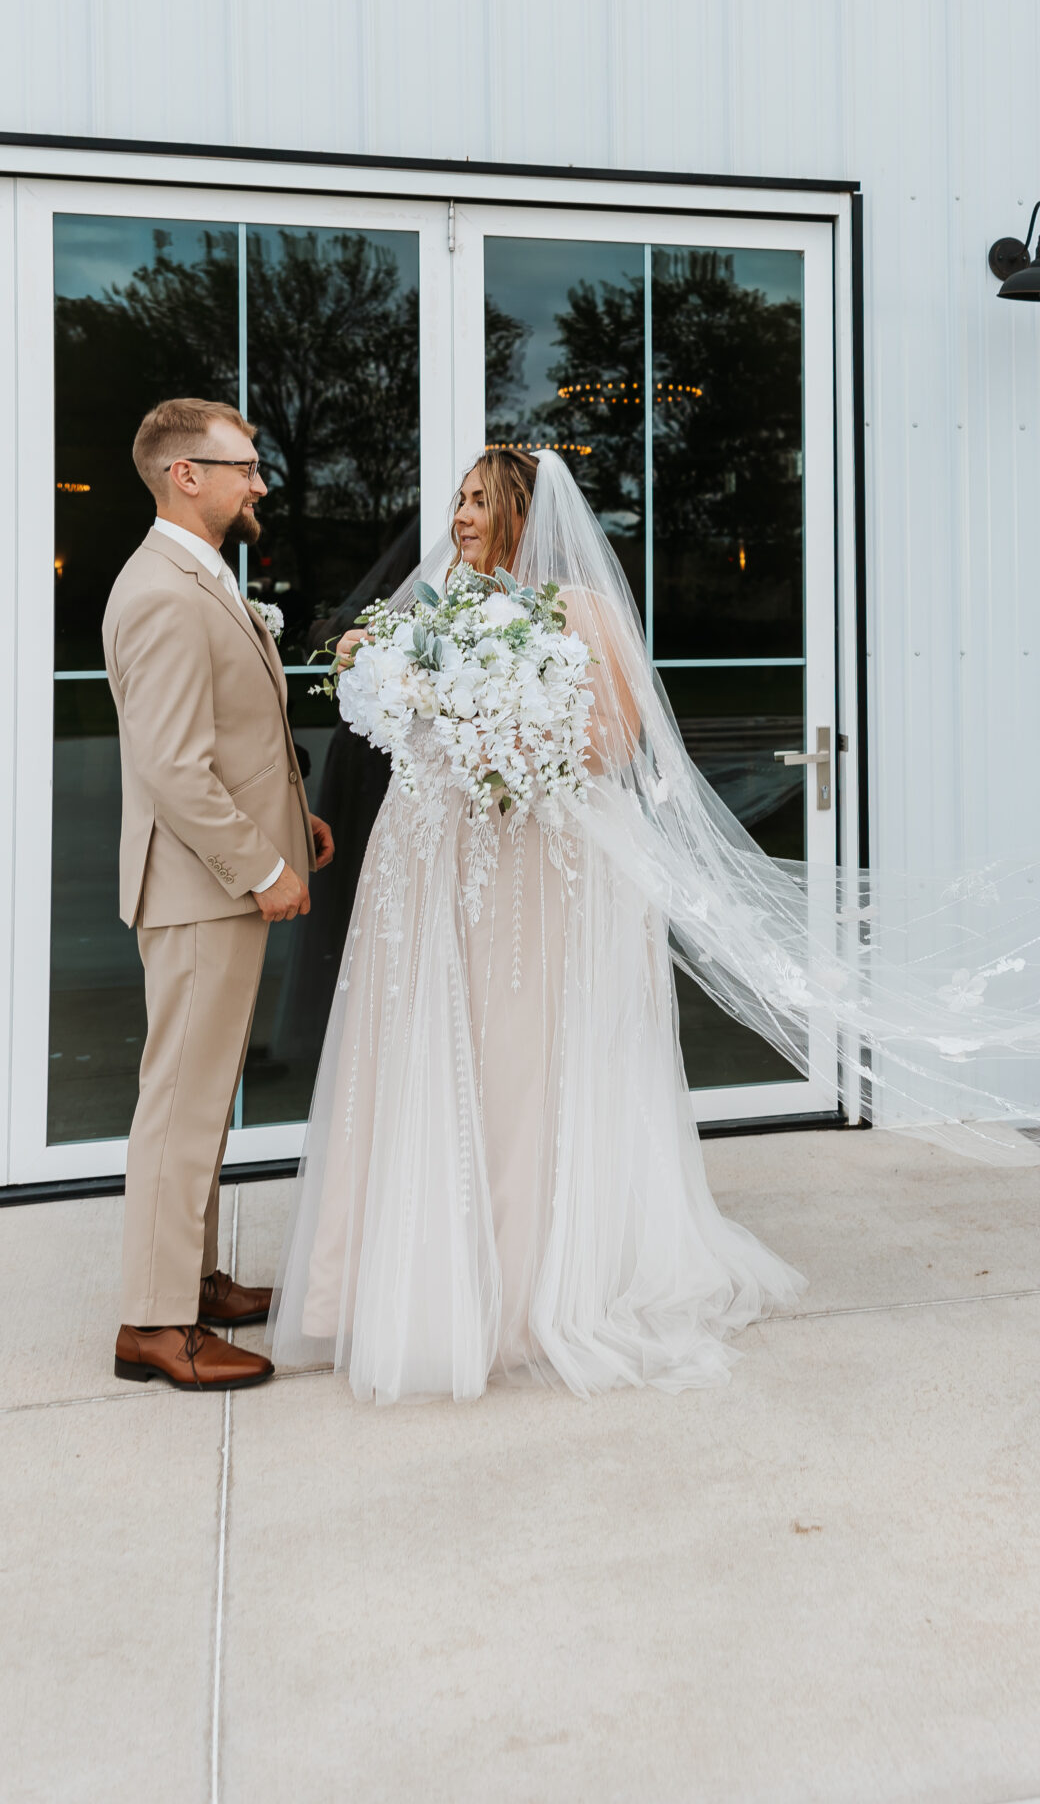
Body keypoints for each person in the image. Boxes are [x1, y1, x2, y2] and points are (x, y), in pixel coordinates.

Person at [267, 447, 803, 1404]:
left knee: (523, 1066)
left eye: (477, 501)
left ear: (520, 513)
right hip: (442, 872)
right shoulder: (440, 608)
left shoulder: (577, 612)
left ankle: (520, 1293)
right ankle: (411, 1276)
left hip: (537, 878)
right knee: (440, 1058)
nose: (460, 516)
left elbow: (614, 743)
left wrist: (496, 729)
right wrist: (406, 688)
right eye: (457, 500)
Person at [103, 398, 335, 1391]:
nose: (260, 481)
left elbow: (231, 732)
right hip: (200, 890)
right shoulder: (160, 589)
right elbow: (173, 766)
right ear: (183, 474)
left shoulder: (200, 574)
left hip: (217, 881)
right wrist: (262, 866)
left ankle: (191, 1280)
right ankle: (155, 1325)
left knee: (202, 1102)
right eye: (243, 464)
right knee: (180, 1105)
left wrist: (294, 820)